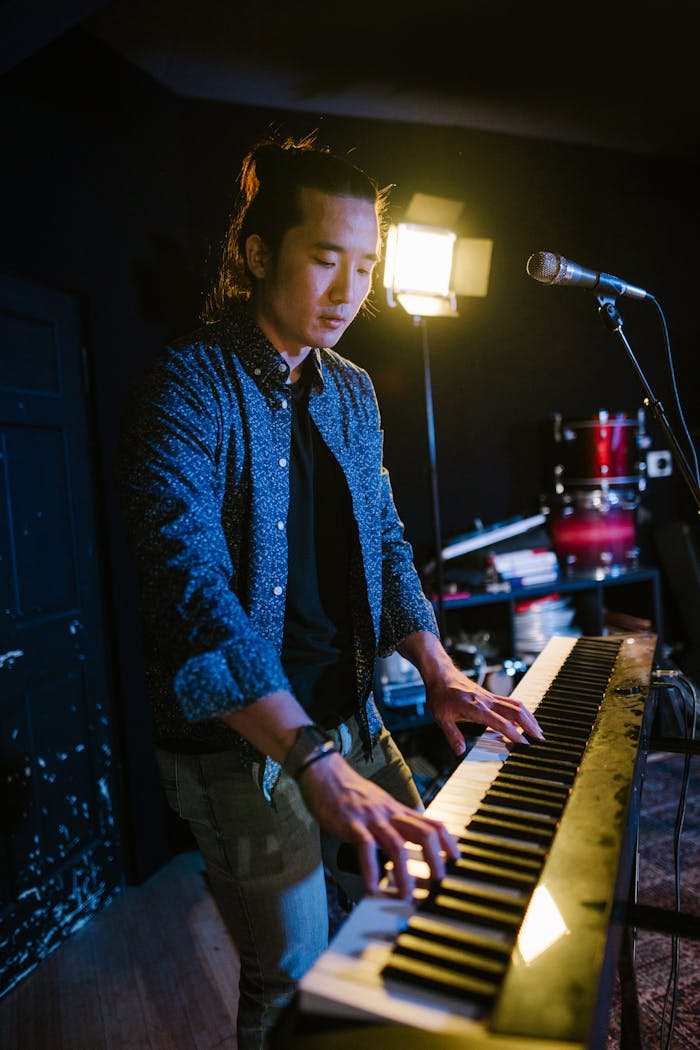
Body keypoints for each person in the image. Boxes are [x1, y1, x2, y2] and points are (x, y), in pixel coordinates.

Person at [117, 132, 544, 1049]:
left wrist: (438, 667)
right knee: (294, 980)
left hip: (350, 712)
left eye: (366, 266)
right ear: (257, 251)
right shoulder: (186, 389)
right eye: (325, 259)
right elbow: (192, 596)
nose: (350, 291)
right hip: (249, 750)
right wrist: (313, 763)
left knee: (429, 895)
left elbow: (385, 544)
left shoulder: (352, 391)